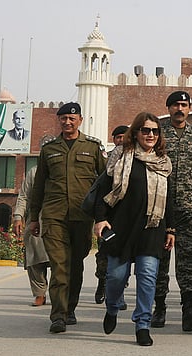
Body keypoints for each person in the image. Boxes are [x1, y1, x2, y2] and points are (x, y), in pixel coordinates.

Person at [93, 112, 174, 346]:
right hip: (121, 227)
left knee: (148, 277)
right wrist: (100, 219)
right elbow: (103, 190)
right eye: (146, 130)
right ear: (136, 133)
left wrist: (171, 229)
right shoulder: (122, 157)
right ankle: (112, 307)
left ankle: (142, 325)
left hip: (152, 228)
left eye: (155, 131)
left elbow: (169, 199)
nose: (150, 135)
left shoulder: (163, 162)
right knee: (116, 278)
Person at [29, 102, 107, 334]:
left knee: (75, 265)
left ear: (80, 120)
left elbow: (105, 182)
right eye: (63, 118)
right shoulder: (49, 149)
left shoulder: (92, 148)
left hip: (81, 216)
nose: (67, 122)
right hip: (54, 216)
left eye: (72, 118)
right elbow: (39, 186)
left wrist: (103, 216)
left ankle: (70, 307)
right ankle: (58, 315)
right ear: (59, 120)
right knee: (59, 265)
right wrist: (34, 217)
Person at [151, 91, 192, 332]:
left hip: (189, 207)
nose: (180, 109)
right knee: (159, 259)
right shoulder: (156, 132)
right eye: (176, 104)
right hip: (159, 206)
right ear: (168, 107)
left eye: (184, 105)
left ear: (189, 109)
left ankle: (189, 309)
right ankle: (159, 307)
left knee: (189, 261)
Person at [94, 125, 129, 306]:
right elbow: (100, 186)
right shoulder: (106, 158)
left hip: (125, 217)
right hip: (108, 217)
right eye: (118, 137)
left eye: (125, 137)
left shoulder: (134, 157)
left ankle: (118, 294)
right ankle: (102, 283)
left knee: (123, 257)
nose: (121, 140)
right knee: (105, 254)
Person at [13, 165, 50, 306]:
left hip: (61, 219)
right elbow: (24, 196)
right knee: (33, 258)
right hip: (36, 219)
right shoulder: (34, 172)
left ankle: (59, 294)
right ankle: (39, 293)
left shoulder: (66, 169)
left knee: (60, 261)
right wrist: (18, 216)